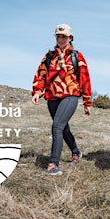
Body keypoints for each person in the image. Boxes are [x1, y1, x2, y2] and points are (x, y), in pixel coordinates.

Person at [31, 23, 92, 175]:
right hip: (52, 97)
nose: (61, 39)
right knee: (63, 128)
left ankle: (53, 164)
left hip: (70, 95)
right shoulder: (49, 57)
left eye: (64, 36)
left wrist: (87, 102)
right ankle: (76, 152)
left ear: (70, 38)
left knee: (57, 126)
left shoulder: (77, 56)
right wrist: (37, 92)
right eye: (58, 36)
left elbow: (85, 79)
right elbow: (40, 75)